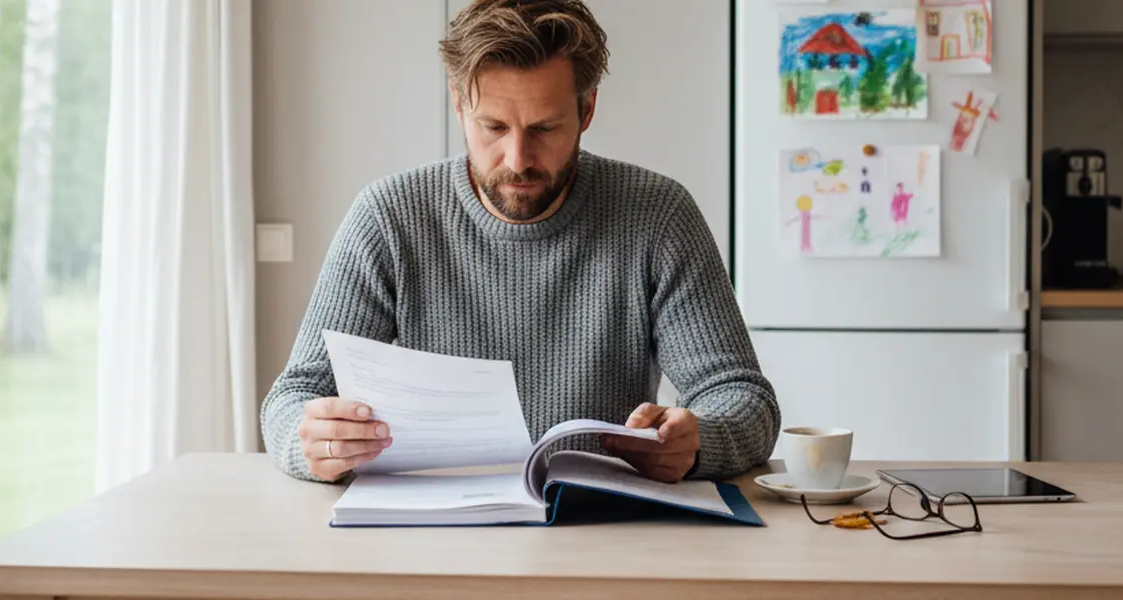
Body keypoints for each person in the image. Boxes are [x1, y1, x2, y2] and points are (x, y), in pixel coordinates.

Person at [260, 0, 779, 484]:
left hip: (606, 528)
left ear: (587, 110)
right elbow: (293, 398)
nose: (516, 159)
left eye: (545, 128)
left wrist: (696, 441)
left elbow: (743, 399)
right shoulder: (390, 217)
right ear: (459, 105)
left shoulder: (657, 216)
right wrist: (313, 444)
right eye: (493, 126)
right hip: (433, 535)